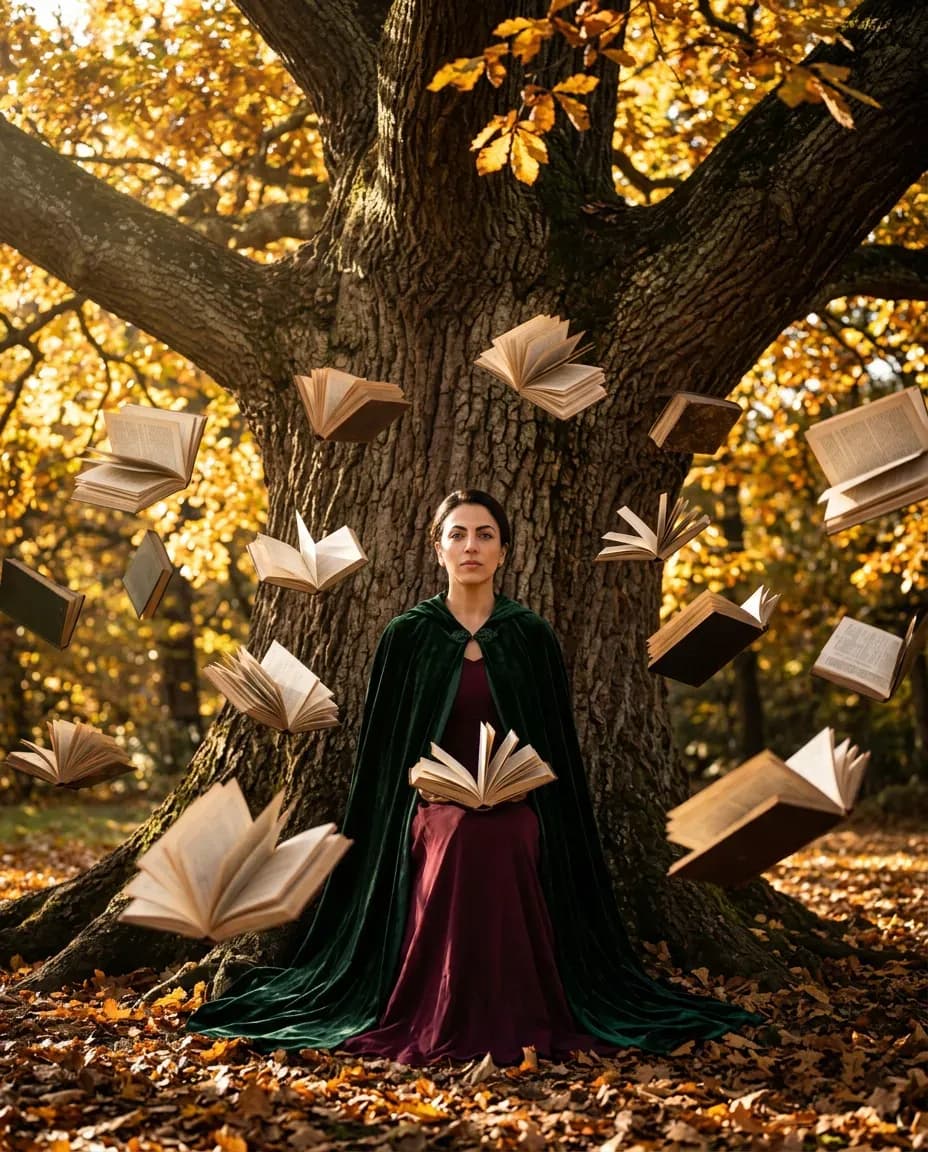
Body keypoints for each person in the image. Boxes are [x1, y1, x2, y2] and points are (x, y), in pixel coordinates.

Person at [188, 490, 757, 1063]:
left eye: (485, 534)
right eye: (458, 534)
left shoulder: (529, 635)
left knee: (503, 836)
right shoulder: (408, 636)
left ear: (504, 551)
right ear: (438, 550)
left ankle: (518, 1012)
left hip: (519, 807)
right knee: (462, 838)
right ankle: (441, 1010)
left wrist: (518, 784)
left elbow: (554, 745)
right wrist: (428, 786)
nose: (471, 546)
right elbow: (384, 760)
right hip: (431, 808)